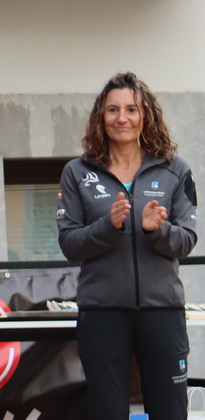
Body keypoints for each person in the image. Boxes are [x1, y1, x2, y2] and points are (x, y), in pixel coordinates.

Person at [58, 72, 197, 420]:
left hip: (162, 311)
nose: (122, 118)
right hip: (102, 313)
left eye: (131, 109)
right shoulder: (77, 172)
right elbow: (69, 244)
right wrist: (109, 226)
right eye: (113, 110)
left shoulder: (174, 170)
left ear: (145, 115)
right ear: (100, 117)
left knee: (170, 412)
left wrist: (156, 230)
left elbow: (186, 241)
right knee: (107, 412)